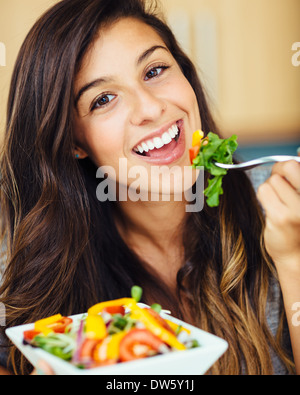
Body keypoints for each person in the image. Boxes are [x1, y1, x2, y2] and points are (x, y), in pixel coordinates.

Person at [0, 0, 299, 375]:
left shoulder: (282, 208)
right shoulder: (24, 259)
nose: (150, 108)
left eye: (155, 70)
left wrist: (293, 259)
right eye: (103, 99)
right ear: (73, 142)